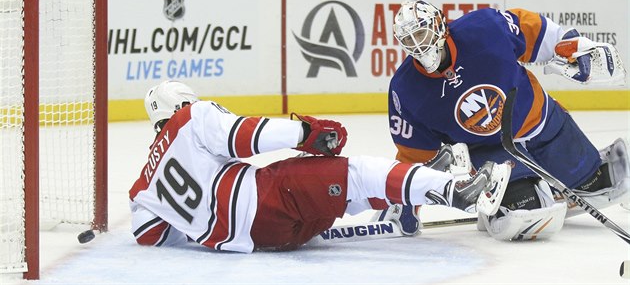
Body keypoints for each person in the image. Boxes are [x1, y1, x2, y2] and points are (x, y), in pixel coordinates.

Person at [128, 80, 511, 252]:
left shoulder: (142, 187)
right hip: (268, 202)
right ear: (181, 105)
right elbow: (242, 134)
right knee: (354, 172)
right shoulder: (191, 117)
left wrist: (202, 226)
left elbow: (150, 236)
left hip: (267, 240)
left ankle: (408, 192)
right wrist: (303, 131)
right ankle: (454, 191)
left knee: (327, 188)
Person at [386, 0, 629, 242]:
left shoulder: (485, 28)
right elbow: (414, 156)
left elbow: (538, 33)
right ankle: (514, 195)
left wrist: (578, 46)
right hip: (492, 153)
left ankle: (558, 186)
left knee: (601, 184)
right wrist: (403, 198)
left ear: (440, 25)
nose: (417, 43)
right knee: (527, 213)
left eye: (421, 32)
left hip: (539, 121)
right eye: (408, 39)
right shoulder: (404, 89)